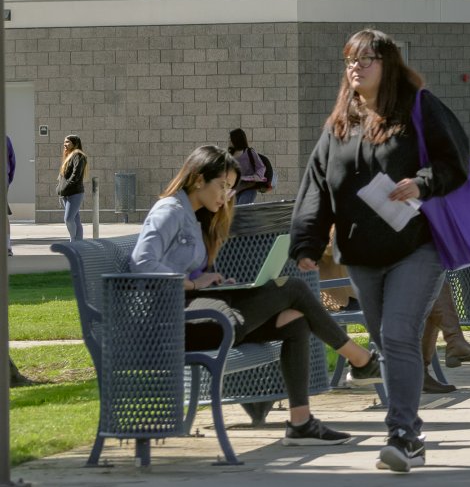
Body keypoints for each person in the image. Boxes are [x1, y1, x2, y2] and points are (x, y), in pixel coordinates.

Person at [291, 28, 470, 472]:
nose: (357, 66)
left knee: (397, 334)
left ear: (388, 64)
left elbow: (456, 161)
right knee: (386, 342)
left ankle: (402, 435)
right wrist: (307, 243)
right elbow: (317, 186)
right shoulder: (339, 125)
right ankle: (409, 433)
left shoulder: (418, 108)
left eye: (368, 58)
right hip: (362, 253)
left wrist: (423, 182)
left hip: (417, 246)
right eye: (351, 59)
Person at [134, 146, 382, 447]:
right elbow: (143, 263)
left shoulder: (196, 217)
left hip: (198, 316)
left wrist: (210, 281)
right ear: (199, 179)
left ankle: (301, 423)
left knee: (295, 321)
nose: (227, 195)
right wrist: (193, 284)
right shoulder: (170, 210)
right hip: (171, 325)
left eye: (231, 188)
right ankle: (361, 361)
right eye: (223, 185)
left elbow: (178, 269)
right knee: (292, 287)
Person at [229, 129, 274, 205]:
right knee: (234, 213)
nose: (229, 141)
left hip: (249, 187)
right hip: (236, 189)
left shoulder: (249, 152)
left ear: (236, 140)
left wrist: (256, 177)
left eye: (231, 139)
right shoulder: (230, 155)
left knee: (242, 211)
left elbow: (261, 167)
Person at [57, 135, 87, 241]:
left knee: (68, 219)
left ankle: (73, 241)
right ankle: (79, 243)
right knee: (75, 219)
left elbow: (76, 175)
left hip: (74, 193)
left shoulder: (78, 156)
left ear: (75, 143)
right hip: (66, 193)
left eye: (68, 142)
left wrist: (65, 187)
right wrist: (60, 189)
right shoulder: (69, 155)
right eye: (64, 142)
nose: (65, 144)